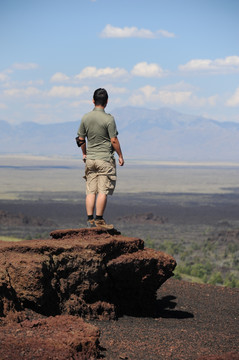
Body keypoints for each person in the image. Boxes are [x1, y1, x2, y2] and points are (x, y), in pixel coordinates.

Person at [77, 88, 124, 229]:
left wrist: (84, 154)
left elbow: (80, 139)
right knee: (103, 190)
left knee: (91, 190)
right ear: (107, 102)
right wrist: (120, 155)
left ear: (93, 100)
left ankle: (89, 219)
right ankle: (99, 220)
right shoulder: (109, 119)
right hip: (104, 159)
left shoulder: (85, 117)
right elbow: (114, 140)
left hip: (90, 160)